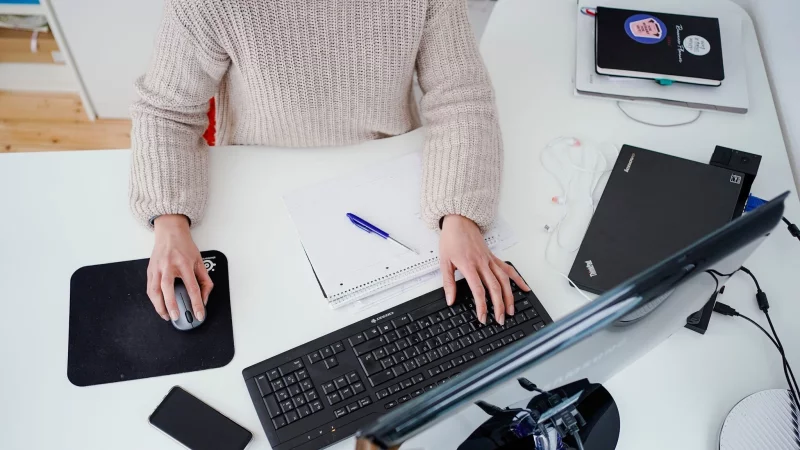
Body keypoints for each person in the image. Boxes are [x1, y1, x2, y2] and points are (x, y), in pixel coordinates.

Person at [129, 0, 529, 327]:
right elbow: (168, 112)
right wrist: (169, 221)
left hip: (387, 169)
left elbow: (460, 96)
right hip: (261, 178)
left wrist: (460, 214)